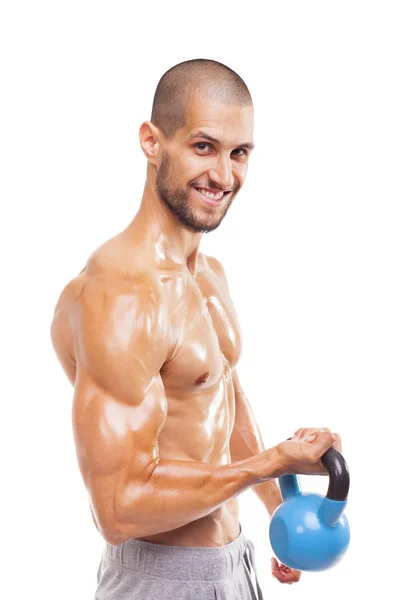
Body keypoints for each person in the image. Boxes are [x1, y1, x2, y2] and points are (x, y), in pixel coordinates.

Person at [50, 58, 342, 600]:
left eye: (240, 154)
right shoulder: (122, 294)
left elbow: (222, 390)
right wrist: (270, 463)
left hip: (235, 565)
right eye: (203, 147)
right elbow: (117, 508)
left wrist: (280, 510)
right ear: (151, 141)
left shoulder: (208, 275)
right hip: (160, 579)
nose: (224, 176)